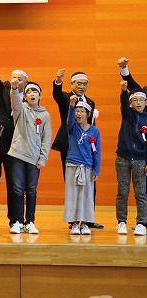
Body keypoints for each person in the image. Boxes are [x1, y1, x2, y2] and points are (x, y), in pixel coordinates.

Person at [51, 68, 103, 229]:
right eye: (79, 83)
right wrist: (58, 81)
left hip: (86, 147)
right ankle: (73, 219)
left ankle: (88, 218)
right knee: (72, 183)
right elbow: (57, 94)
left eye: (85, 84)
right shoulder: (66, 98)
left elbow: (91, 125)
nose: (82, 87)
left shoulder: (90, 102)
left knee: (90, 183)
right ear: (72, 84)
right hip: (69, 145)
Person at [0, 52, 28, 227]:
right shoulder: (3, 88)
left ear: (25, 84)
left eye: (19, 79)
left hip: (15, 145)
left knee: (15, 185)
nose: (15, 80)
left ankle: (15, 219)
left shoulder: (29, 97)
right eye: (13, 77)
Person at [8, 80, 52, 234]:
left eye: (35, 92)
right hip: (18, 154)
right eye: (29, 92)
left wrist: (43, 158)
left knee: (32, 190)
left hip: (34, 158)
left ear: (40, 95)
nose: (32, 94)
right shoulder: (21, 109)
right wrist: (14, 88)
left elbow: (47, 138)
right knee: (17, 189)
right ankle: (18, 222)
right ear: (25, 96)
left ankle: (30, 222)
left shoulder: (45, 115)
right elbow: (15, 101)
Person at [63, 95, 101, 236]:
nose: (78, 114)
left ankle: (84, 223)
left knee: (86, 196)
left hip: (87, 168)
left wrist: (96, 170)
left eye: (82, 111)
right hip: (72, 166)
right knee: (72, 195)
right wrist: (71, 106)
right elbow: (69, 121)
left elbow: (97, 152)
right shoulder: (73, 128)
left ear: (88, 114)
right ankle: (73, 223)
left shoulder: (95, 131)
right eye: (77, 111)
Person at [115, 82, 147, 236]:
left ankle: (142, 223)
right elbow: (123, 103)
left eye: (141, 100)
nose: (138, 103)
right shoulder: (128, 115)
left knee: (141, 193)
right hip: (123, 158)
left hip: (141, 160)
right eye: (135, 100)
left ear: (146, 103)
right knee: (122, 191)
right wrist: (123, 91)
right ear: (130, 103)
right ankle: (121, 221)